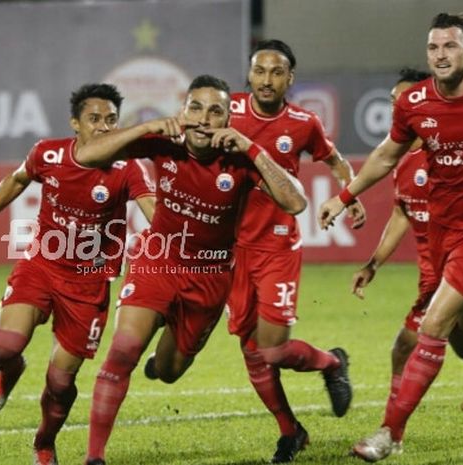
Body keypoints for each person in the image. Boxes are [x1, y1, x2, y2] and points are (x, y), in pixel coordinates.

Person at [74, 74, 308, 465]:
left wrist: (253, 148)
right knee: (124, 350)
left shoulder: (240, 159)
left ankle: (163, 355)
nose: (203, 118)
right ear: (183, 111)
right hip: (159, 259)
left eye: (215, 110)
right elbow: (88, 155)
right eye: (195, 107)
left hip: (210, 275)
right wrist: (148, 125)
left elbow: (296, 203)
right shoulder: (164, 144)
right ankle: (94, 457)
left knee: (168, 372)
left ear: (227, 119)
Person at [0, 83, 156, 465]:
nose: (104, 127)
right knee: (4, 349)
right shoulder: (49, 153)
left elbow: (153, 210)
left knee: (61, 383)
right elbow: (17, 179)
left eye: (111, 120)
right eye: (94, 119)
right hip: (42, 265)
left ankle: (44, 443)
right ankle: (8, 373)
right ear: (75, 123)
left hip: (88, 285)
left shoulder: (129, 168)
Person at [317, 13, 463, 462]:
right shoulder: (416, 103)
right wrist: (344, 195)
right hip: (443, 237)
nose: (440, 55)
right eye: (433, 48)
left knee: (432, 328)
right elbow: (388, 154)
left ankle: (390, 433)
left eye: (450, 46)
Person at [226, 39, 362, 463]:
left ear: (290, 79)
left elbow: (336, 159)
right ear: (249, 75)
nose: (267, 80)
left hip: (277, 246)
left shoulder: (303, 122)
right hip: (230, 250)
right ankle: (291, 431)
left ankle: (331, 364)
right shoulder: (226, 111)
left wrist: (350, 192)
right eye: (260, 71)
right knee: (251, 349)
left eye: (277, 72)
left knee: (273, 348)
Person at [350, 68, 438, 444]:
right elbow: (402, 214)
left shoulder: (449, 152)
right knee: (462, 345)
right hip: (431, 275)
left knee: (415, 342)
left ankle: (392, 432)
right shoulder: (400, 158)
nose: (396, 107)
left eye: (403, 100)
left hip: (460, 267)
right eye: (392, 102)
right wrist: (373, 264)